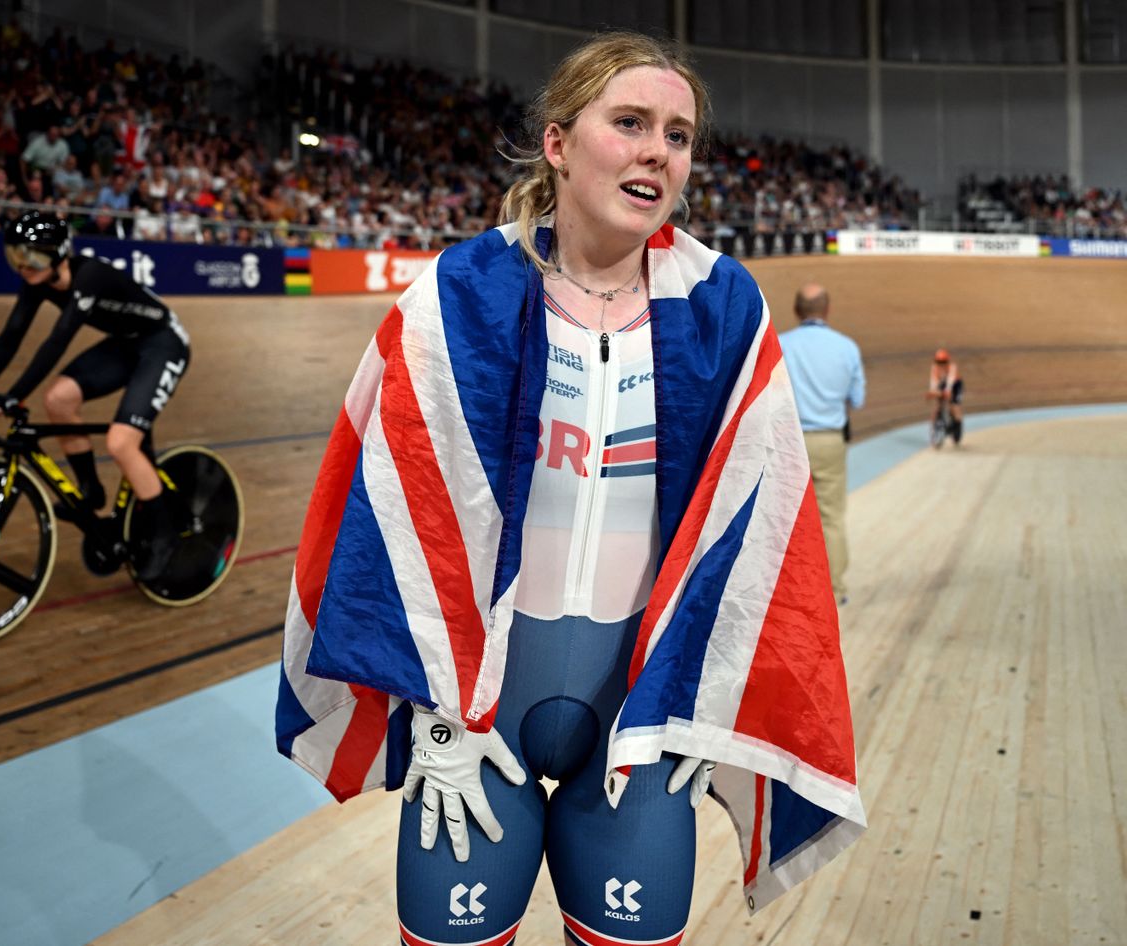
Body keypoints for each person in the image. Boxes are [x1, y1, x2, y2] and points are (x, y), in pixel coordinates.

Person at [276, 31, 865, 946]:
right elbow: (389, 514)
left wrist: (696, 696)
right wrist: (432, 705)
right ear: (558, 142)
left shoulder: (722, 305)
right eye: (629, 123)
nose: (656, 151)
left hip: (635, 720)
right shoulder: (455, 294)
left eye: (677, 134)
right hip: (476, 720)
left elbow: (759, 536)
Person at [0, 210, 190, 580]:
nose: (24, 266)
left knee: (121, 443)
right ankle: (89, 490)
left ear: (59, 254)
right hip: (126, 344)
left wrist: (14, 395)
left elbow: (57, 342)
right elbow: (11, 337)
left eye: (34, 255)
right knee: (57, 400)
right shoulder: (36, 281)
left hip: (163, 344)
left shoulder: (89, 277)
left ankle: (165, 533)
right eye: (17, 257)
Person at [778, 283, 866, 605]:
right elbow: (857, 399)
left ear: (797, 311)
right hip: (829, 440)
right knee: (831, 517)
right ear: (826, 311)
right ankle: (833, 590)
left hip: (788, 440)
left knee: (786, 517)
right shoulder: (847, 347)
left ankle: (786, 591)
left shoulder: (781, 344)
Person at [927, 347, 964, 444]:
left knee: (954, 405)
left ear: (947, 361)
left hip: (956, 384)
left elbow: (951, 381)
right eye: (939, 362)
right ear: (936, 362)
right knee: (937, 404)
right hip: (943, 383)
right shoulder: (934, 368)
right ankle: (933, 427)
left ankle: (957, 424)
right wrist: (933, 392)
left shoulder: (952, 367)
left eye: (943, 362)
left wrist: (947, 392)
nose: (941, 364)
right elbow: (933, 382)